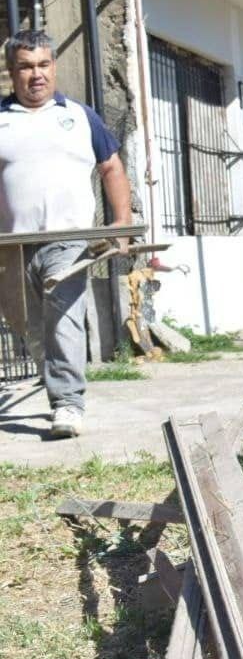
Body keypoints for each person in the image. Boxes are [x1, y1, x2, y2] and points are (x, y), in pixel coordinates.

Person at [0, 29, 133, 437]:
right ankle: (53, 379)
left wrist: (121, 222)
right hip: (13, 244)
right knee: (30, 326)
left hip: (70, 240)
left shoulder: (79, 116)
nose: (35, 75)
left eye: (43, 64)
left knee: (64, 321)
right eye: (25, 67)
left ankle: (68, 403)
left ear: (54, 67)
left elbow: (110, 167)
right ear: (11, 71)